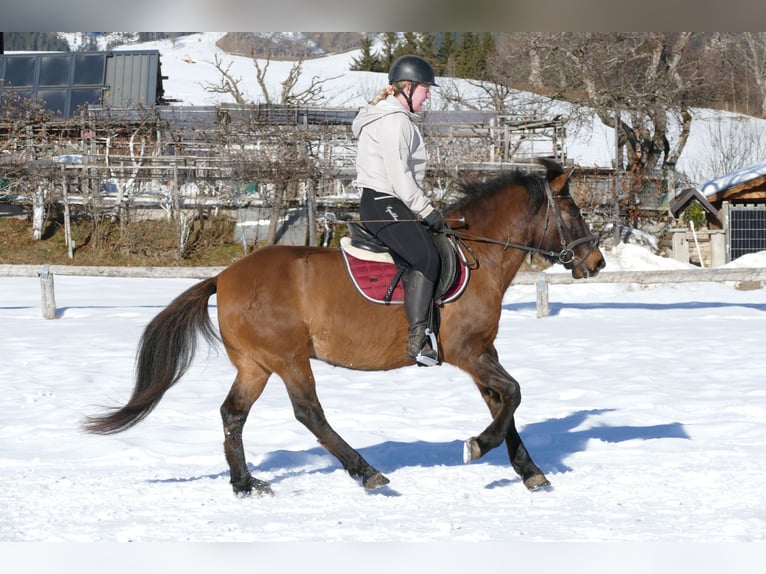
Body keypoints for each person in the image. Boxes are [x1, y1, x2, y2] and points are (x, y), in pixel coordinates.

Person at [351, 54, 447, 367]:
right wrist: (429, 212)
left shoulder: (391, 118)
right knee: (427, 257)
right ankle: (419, 341)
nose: (428, 94)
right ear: (406, 87)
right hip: (385, 202)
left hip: (387, 202)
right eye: (424, 88)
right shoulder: (393, 122)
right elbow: (400, 178)